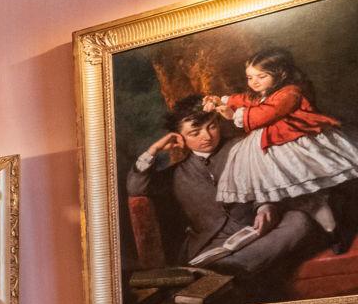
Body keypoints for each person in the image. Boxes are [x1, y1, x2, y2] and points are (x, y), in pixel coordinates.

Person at [129, 97, 321, 288]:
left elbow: (269, 177)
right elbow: (136, 187)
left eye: (211, 126)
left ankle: (228, 270)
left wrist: (265, 205)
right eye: (195, 132)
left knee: (299, 221)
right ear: (179, 137)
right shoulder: (177, 173)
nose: (207, 136)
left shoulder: (243, 147)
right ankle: (230, 267)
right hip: (213, 245)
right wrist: (153, 150)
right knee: (212, 258)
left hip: (259, 230)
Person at [205, 47, 358, 232]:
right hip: (270, 144)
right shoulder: (263, 92)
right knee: (296, 192)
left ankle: (334, 226)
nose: (254, 82)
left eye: (261, 76)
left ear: (280, 74)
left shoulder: (290, 92)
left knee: (306, 185)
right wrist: (223, 101)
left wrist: (233, 115)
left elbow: (266, 114)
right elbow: (245, 99)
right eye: (250, 77)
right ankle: (327, 226)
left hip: (292, 142)